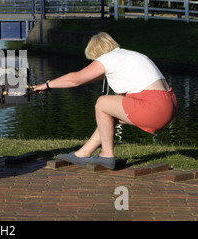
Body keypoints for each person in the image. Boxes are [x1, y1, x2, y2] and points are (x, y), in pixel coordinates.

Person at [33, 32, 178, 169]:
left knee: (102, 102)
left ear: (97, 53)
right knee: (108, 115)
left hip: (153, 107)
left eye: (93, 59)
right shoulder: (129, 55)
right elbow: (86, 79)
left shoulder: (107, 59)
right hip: (169, 105)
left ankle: (107, 155)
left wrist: (46, 85)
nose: (95, 61)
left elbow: (74, 80)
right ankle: (82, 153)